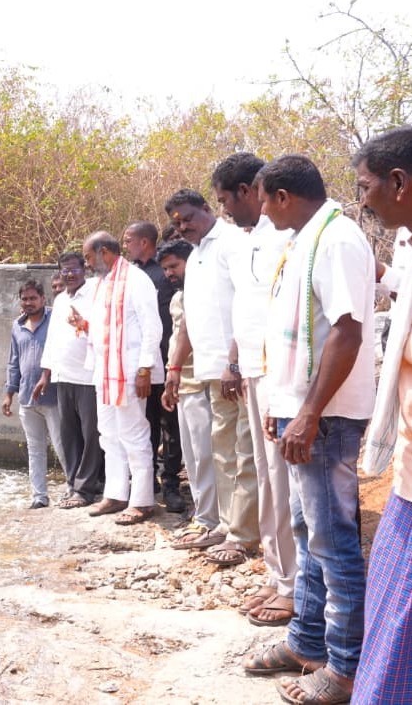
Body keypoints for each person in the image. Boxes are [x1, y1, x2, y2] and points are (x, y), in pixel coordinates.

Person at [241, 155, 374, 705]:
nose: (263, 212)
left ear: (282, 197)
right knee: (307, 533)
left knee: (333, 541)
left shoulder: (338, 240)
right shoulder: (307, 240)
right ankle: (307, 641)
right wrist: (289, 408)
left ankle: (343, 668)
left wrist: (309, 412)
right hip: (303, 412)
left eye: (264, 200)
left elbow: (347, 333)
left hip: (325, 416)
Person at [212, 152, 297, 628]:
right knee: (268, 481)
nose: (225, 209)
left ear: (248, 192)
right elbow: (246, 310)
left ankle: (291, 584)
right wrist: (235, 364)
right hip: (252, 372)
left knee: (282, 483)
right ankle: (278, 572)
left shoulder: (283, 237)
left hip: (276, 375)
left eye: (226, 199)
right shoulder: (247, 241)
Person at [163, 188, 259, 568]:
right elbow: (189, 319)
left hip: (235, 372)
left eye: (188, 217)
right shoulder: (198, 253)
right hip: (208, 374)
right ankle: (225, 523)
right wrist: (174, 369)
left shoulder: (232, 243)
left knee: (244, 454)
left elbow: (248, 305)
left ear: (207, 208)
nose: (184, 226)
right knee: (221, 454)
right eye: (177, 223)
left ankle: (243, 536)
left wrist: (233, 363)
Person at [353, 126, 412, 703]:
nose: (363, 198)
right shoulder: (408, 246)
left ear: (398, 181)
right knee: (388, 612)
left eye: (366, 186)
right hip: (407, 476)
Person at [72, 232, 162, 525]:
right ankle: (116, 494)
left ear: (104, 252)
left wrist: (146, 368)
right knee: (108, 435)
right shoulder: (102, 285)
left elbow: (152, 326)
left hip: (130, 372)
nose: (87, 264)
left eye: (88, 257)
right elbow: (103, 329)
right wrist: (83, 325)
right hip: (105, 372)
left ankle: (143, 500)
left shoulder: (136, 280)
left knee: (134, 434)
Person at [158, 240, 222, 551]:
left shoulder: (203, 294)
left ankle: (210, 520)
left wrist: (177, 371)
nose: (170, 273)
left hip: (200, 381)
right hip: (183, 383)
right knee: (193, 457)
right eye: (166, 268)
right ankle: (203, 516)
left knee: (206, 455)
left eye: (174, 266)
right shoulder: (181, 296)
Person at [122, 221, 184, 514]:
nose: (126, 246)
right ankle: (148, 485)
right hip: (140, 365)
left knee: (171, 425)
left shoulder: (164, 272)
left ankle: (171, 484)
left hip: (168, 358)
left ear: (144, 242)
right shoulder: (129, 276)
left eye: (129, 240)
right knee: (144, 425)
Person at [36, 251, 103, 508]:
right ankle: (74, 483)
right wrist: (46, 375)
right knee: (69, 434)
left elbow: (104, 330)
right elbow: (52, 340)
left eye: (74, 269)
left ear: (84, 268)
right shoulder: (61, 299)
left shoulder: (96, 294)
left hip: (88, 377)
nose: (70, 274)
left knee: (90, 434)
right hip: (63, 377)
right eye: (65, 270)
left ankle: (86, 489)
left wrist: (84, 323)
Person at [2, 279, 63, 509]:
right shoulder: (17, 326)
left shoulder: (55, 320)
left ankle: (74, 490)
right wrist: (9, 393)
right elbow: (13, 362)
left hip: (53, 395)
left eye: (33, 298)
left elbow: (60, 352)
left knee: (61, 445)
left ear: (43, 299)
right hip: (27, 398)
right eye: (24, 299)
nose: (28, 303)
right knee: (35, 449)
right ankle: (39, 496)